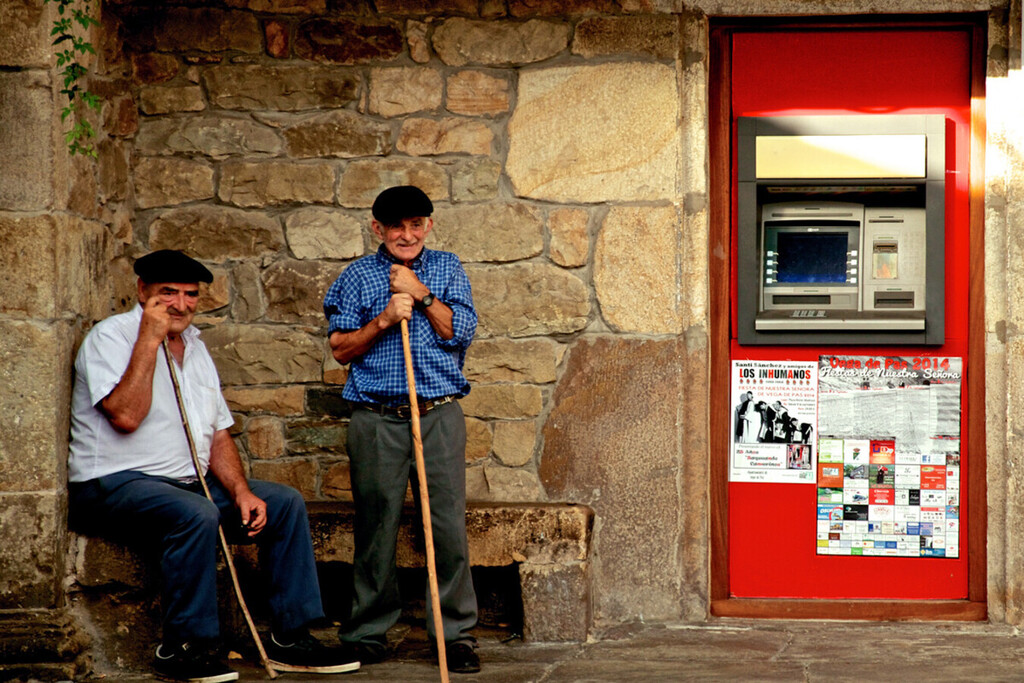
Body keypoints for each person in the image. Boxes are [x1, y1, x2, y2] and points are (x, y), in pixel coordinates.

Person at [68, 250, 358, 683]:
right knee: (195, 512)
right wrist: (149, 340)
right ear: (142, 292)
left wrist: (241, 492)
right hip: (111, 483)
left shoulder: (197, 347)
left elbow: (217, 433)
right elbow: (125, 416)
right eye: (168, 294)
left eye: (190, 295)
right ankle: (185, 647)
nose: (180, 305)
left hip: (185, 484)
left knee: (282, 503)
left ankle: (290, 639)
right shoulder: (110, 338)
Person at [322, 185, 481, 674]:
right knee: (376, 525)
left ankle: (454, 634)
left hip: (437, 413)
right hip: (376, 417)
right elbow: (341, 349)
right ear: (378, 229)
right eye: (396, 226)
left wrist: (420, 293)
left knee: (448, 525)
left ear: (428, 225)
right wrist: (386, 318)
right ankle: (368, 631)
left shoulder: (447, 267)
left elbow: (462, 331)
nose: (406, 234)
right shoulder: (354, 278)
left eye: (416, 224)